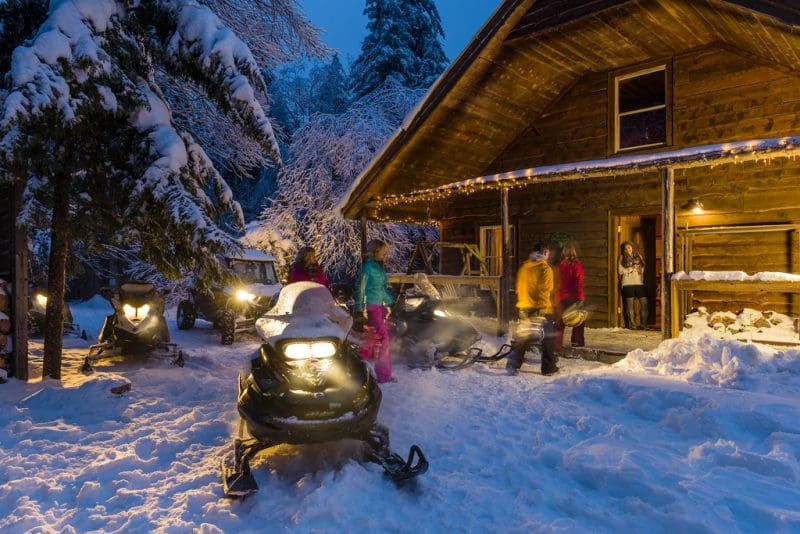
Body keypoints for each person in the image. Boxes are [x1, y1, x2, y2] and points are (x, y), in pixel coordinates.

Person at [505, 241, 559, 376]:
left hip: (524, 307)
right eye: (547, 251)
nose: (548, 254)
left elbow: (519, 287)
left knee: (523, 337)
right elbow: (544, 291)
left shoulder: (524, 267)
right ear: (544, 253)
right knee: (547, 338)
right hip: (541, 308)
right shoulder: (545, 269)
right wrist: (541, 310)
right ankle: (549, 368)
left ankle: (513, 365)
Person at [354, 239, 395, 384]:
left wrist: (390, 303)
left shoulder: (379, 268)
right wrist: (360, 309)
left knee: (371, 339)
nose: (386, 255)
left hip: (379, 307)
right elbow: (361, 288)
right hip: (371, 307)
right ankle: (383, 375)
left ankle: (357, 369)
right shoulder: (367, 268)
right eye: (384, 252)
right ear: (376, 251)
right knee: (382, 339)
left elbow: (381, 289)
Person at [554, 242, 585, 352]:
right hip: (573, 297)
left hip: (560, 297)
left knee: (559, 323)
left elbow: (555, 281)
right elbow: (579, 282)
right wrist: (580, 297)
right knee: (578, 321)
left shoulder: (559, 265)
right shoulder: (576, 265)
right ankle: (577, 343)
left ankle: (556, 347)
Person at [618, 240, 648, 329]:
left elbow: (642, 269)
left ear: (632, 248)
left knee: (644, 302)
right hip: (627, 283)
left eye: (629, 247)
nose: (628, 249)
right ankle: (632, 324)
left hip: (639, 283)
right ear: (624, 250)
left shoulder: (638, 256)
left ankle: (644, 324)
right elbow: (620, 271)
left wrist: (638, 267)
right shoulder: (622, 257)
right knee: (630, 304)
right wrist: (631, 268)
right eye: (626, 248)